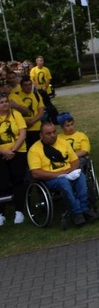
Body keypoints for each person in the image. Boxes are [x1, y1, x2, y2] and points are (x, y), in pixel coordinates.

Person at [28, 121, 99, 227]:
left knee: (81, 177)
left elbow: (75, 161)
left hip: (68, 172)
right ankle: (76, 213)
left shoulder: (63, 143)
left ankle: (85, 208)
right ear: (41, 135)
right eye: (48, 133)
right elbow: (35, 173)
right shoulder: (34, 150)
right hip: (50, 178)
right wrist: (58, 174)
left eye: (54, 132)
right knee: (64, 182)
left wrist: (70, 170)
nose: (52, 135)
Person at [0, 92, 27, 226]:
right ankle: (1, 213)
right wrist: (3, 151)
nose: (5, 104)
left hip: (18, 151)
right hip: (1, 153)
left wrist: (13, 150)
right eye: (1, 102)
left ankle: (19, 211)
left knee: (18, 180)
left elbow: (22, 133)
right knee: (2, 182)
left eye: (6, 101)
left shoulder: (16, 114)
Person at [10, 76, 44, 147]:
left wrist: (33, 121)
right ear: (21, 86)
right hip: (23, 129)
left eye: (29, 84)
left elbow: (41, 111)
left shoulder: (36, 95)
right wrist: (25, 123)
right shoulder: (16, 96)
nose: (28, 87)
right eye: (25, 85)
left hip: (36, 127)